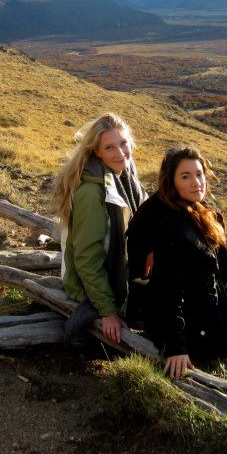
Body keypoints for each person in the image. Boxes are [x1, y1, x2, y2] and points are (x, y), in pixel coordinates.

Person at [127, 146, 227, 378]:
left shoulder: (200, 212)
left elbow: (224, 264)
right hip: (189, 321)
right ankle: (213, 350)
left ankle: (221, 345)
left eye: (199, 174)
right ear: (172, 181)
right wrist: (176, 348)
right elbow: (167, 290)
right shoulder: (170, 225)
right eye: (185, 176)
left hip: (206, 302)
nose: (196, 182)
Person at [50, 113, 147, 344]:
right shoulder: (92, 193)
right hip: (89, 285)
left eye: (123, 144)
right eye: (110, 147)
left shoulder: (125, 176)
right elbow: (86, 258)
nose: (121, 153)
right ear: (97, 152)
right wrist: (108, 311)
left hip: (116, 268)